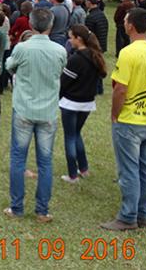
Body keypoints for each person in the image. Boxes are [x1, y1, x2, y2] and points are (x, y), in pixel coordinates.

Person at [101, 8, 146, 230]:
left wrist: (115, 114)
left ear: (130, 25)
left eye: (126, 21)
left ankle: (128, 217)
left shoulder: (129, 52)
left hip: (130, 122)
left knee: (128, 170)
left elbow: (120, 89)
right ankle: (143, 214)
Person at [4, 8, 67, 223]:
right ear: (50, 26)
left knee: (18, 158)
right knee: (45, 161)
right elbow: (59, 70)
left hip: (24, 108)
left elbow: (9, 66)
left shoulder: (22, 48)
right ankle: (42, 210)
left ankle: (17, 207)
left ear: (31, 25)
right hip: (47, 111)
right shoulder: (59, 50)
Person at [59, 25, 106, 183]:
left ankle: (72, 174)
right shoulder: (95, 56)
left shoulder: (76, 59)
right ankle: (83, 168)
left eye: (71, 37)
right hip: (87, 103)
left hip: (71, 103)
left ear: (79, 39)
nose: (69, 40)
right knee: (76, 134)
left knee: (70, 137)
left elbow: (63, 83)